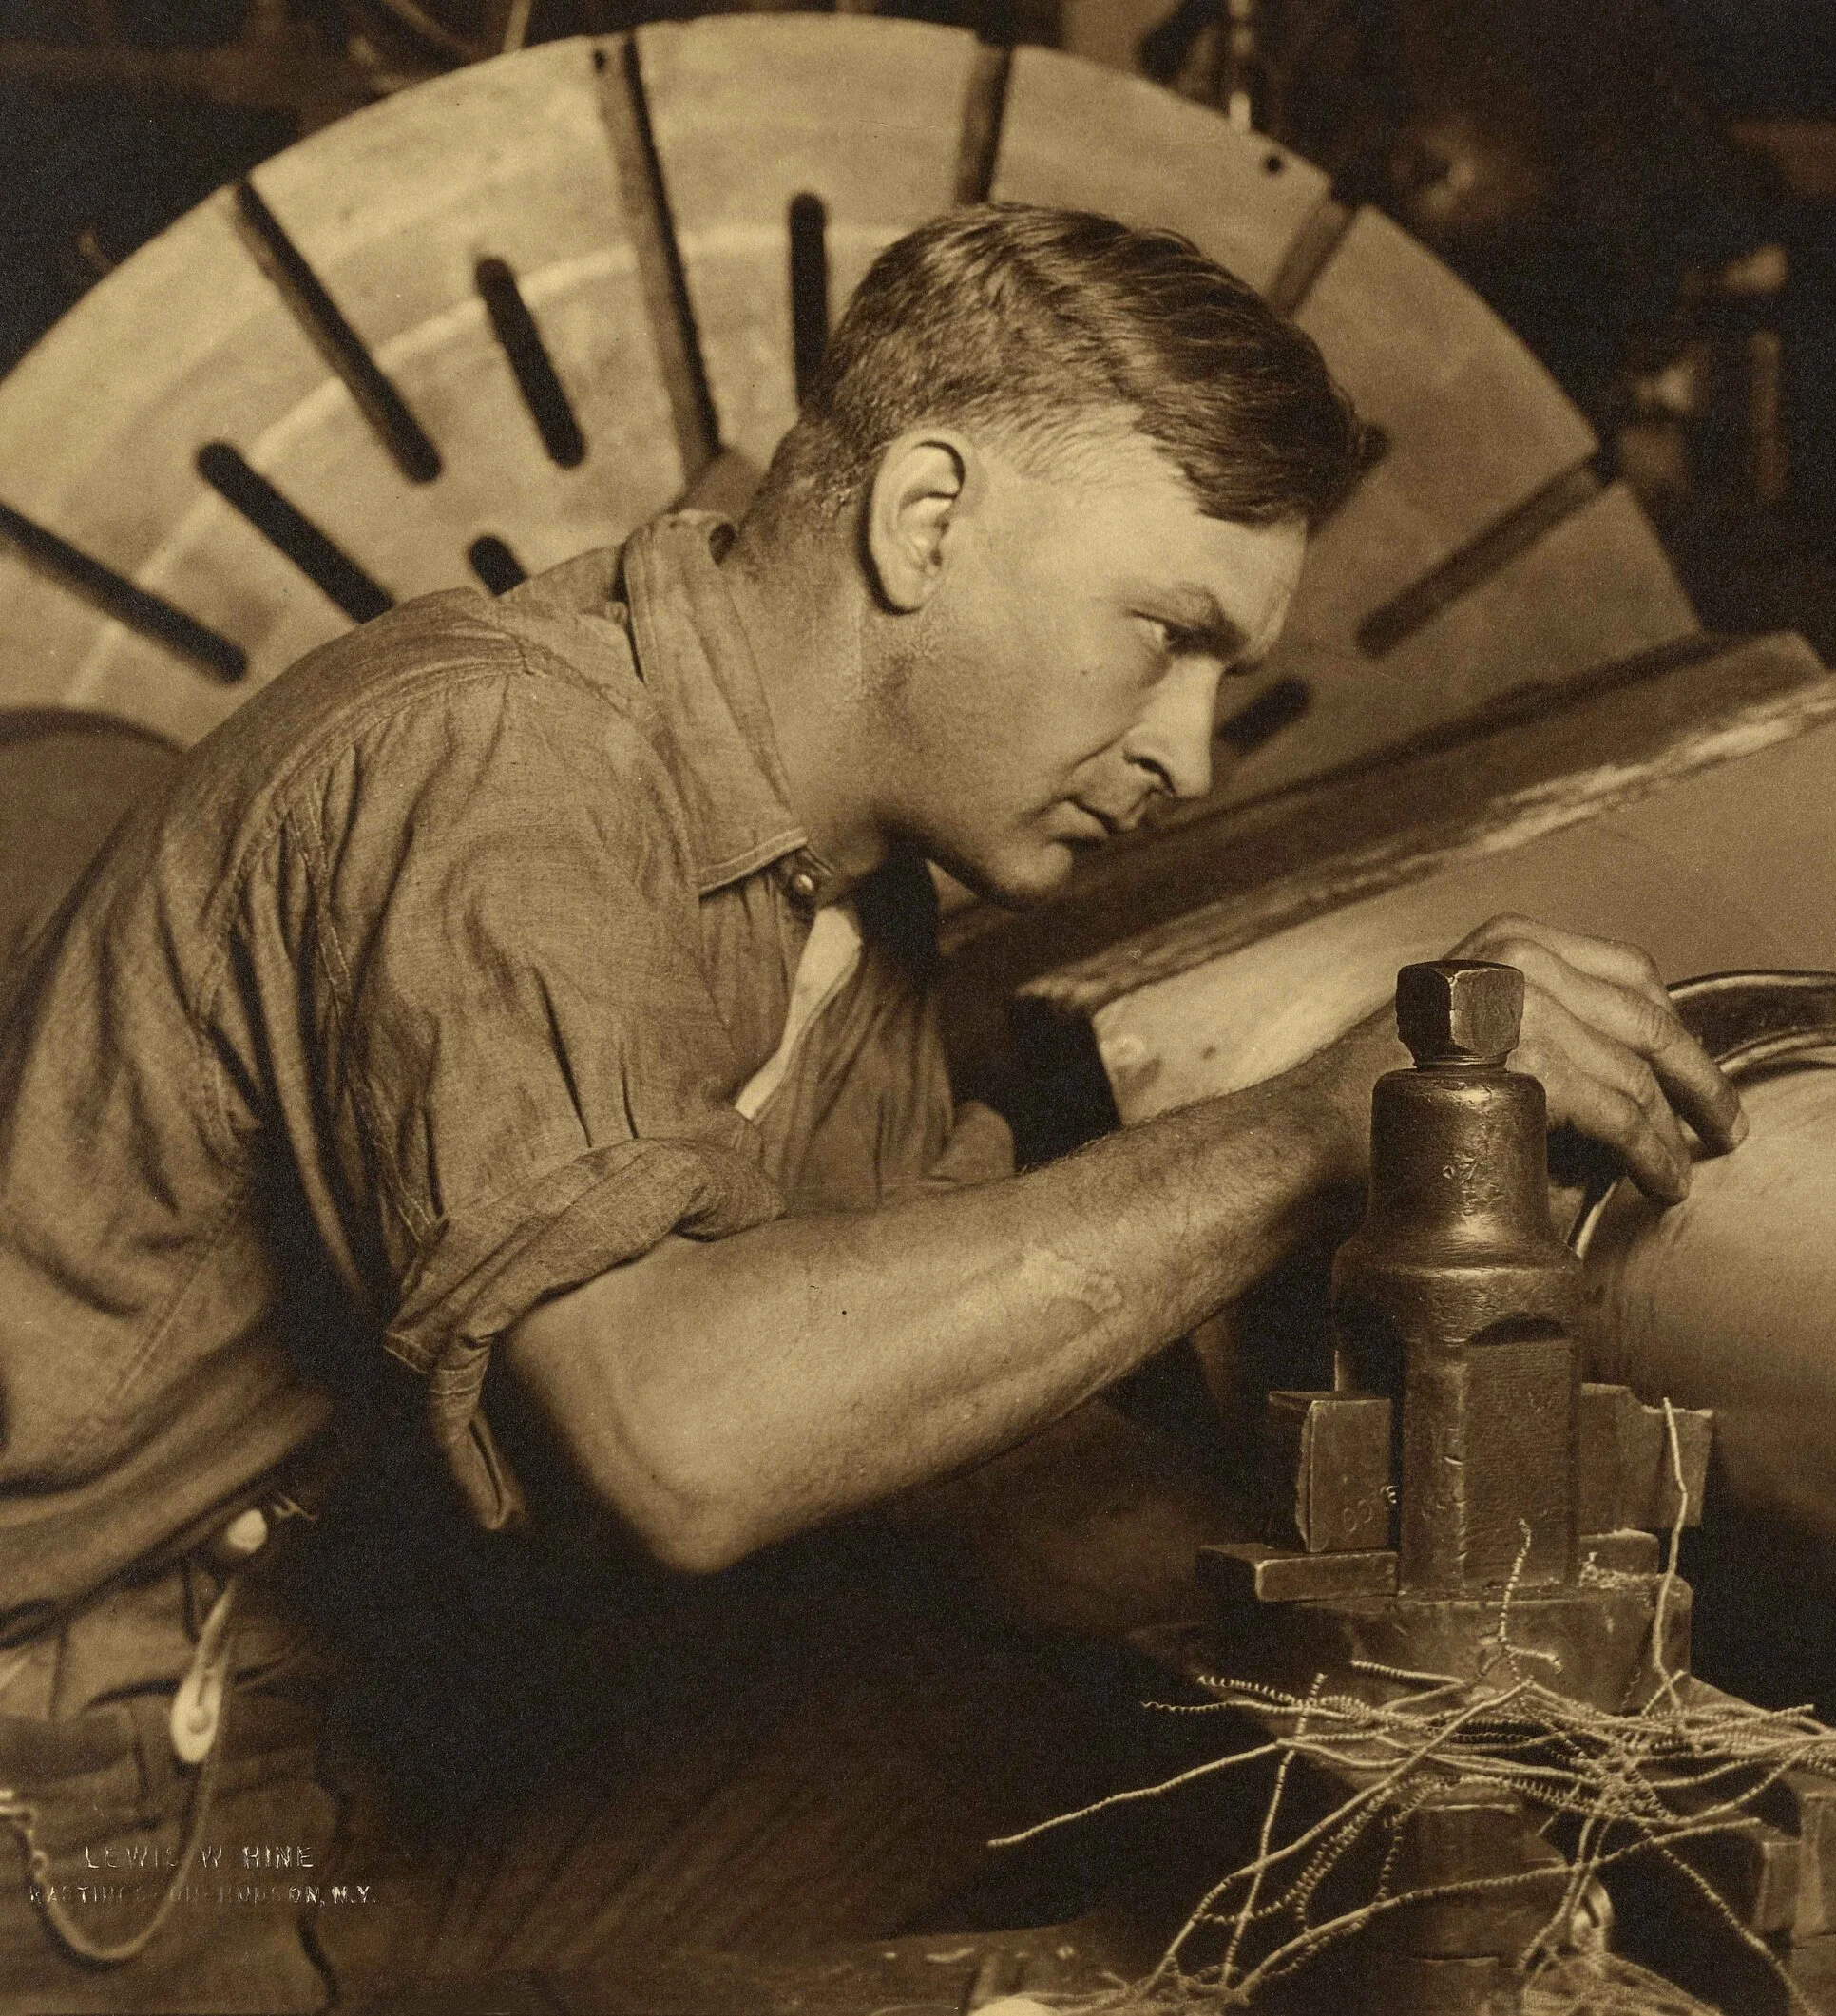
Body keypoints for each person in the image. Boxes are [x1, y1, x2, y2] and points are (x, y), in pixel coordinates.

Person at [0, 202, 1741, 2011]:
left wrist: (1481, 1677)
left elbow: (997, 1474)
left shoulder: (838, 907)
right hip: (74, 1841)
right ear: (925, 519)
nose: (1189, 750)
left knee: (1084, 1744)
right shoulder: (501, 767)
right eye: (1166, 635)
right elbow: (684, 1443)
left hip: (333, 1770)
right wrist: (1316, 1131)